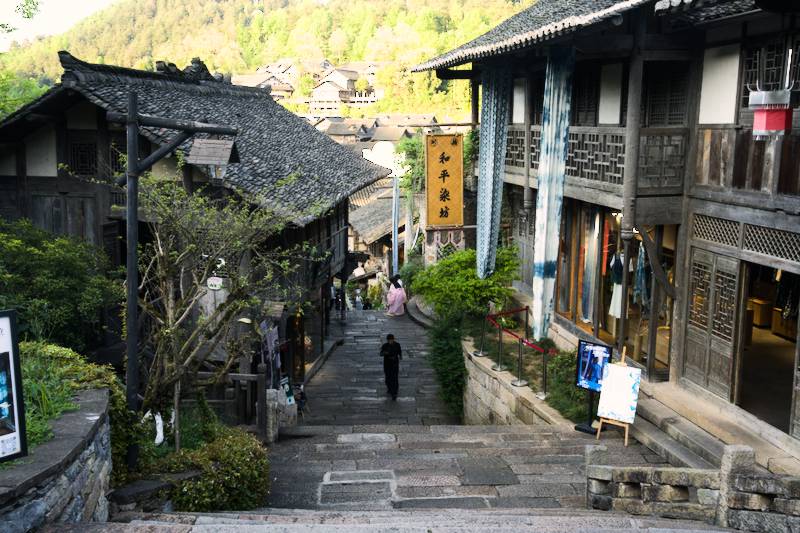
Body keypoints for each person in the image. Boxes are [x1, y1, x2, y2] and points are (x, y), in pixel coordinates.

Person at [380, 334, 402, 400]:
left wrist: (400, 356)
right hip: (387, 364)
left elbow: (399, 352)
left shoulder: (397, 345)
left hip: (395, 363)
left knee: (394, 378)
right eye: (389, 340)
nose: (390, 341)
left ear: (393, 339)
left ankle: (394, 392)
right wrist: (385, 353)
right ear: (387, 340)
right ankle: (389, 388)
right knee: (388, 377)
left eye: (392, 340)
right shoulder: (385, 345)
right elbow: (381, 353)